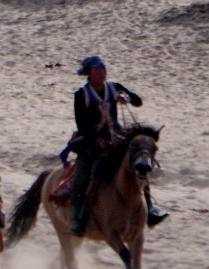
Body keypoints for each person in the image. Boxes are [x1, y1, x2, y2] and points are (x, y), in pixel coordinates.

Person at [64, 54, 166, 235]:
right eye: (98, 70)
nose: (102, 73)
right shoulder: (81, 95)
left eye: (104, 69)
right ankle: (79, 220)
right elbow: (82, 125)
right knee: (84, 174)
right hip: (92, 141)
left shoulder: (114, 87)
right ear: (89, 73)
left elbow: (138, 101)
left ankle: (150, 208)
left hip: (117, 138)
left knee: (139, 165)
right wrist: (98, 139)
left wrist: (126, 97)